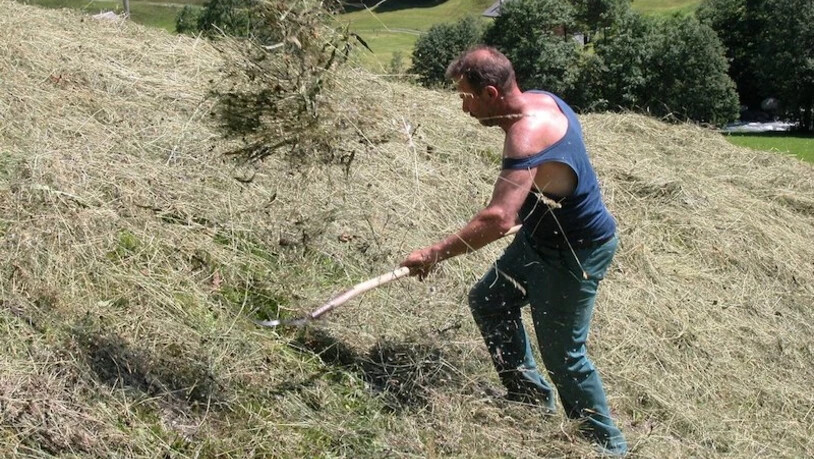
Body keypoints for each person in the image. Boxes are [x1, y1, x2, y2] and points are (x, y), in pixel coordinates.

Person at [399, 46, 628, 455]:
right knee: (489, 301)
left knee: (566, 358)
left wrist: (435, 253)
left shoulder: (524, 137)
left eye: (465, 96)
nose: (464, 107)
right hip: (540, 237)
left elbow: (498, 218)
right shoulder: (542, 99)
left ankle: (606, 447)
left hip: (575, 252)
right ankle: (530, 400)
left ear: (490, 93)